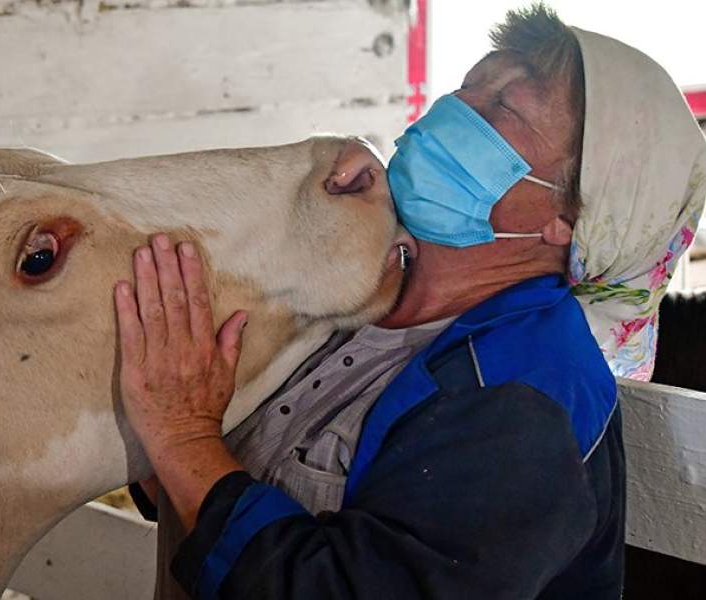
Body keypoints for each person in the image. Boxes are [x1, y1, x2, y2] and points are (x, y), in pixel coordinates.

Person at [112, 4, 706, 599]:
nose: (454, 110)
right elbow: (187, 481)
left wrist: (185, 439)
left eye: (503, 106)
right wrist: (176, 443)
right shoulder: (351, 295)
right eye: (469, 84)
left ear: (570, 215)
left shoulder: (527, 398)